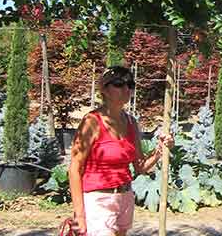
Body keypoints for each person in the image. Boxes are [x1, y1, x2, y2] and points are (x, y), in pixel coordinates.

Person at [69, 65, 174, 236]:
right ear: (104, 89)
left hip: (124, 198)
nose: (126, 88)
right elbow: (74, 169)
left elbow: (140, 167)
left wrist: (160, 149)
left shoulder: (131, 122)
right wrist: (80, 215)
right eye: (119, 83)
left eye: (130, 84)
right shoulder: (92, 122)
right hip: (98, 200)